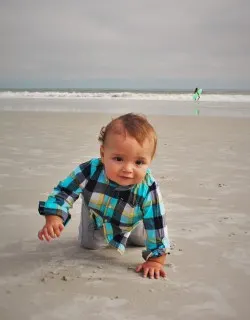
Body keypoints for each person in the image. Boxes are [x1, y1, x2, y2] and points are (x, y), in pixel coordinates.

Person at [38, 113, 170, 279]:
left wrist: (156, 260)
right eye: (118, 159)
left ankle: (133, 231)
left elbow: (157, 221)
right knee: (90, 245)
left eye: (139, 162)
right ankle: (96, 229)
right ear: (103, 153)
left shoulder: (148, 187)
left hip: (133, 216)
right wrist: (54, 215)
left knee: (141, 240)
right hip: (97, 214)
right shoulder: (90, 170)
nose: (128, 169)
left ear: (149, 161)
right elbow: (65, 191)